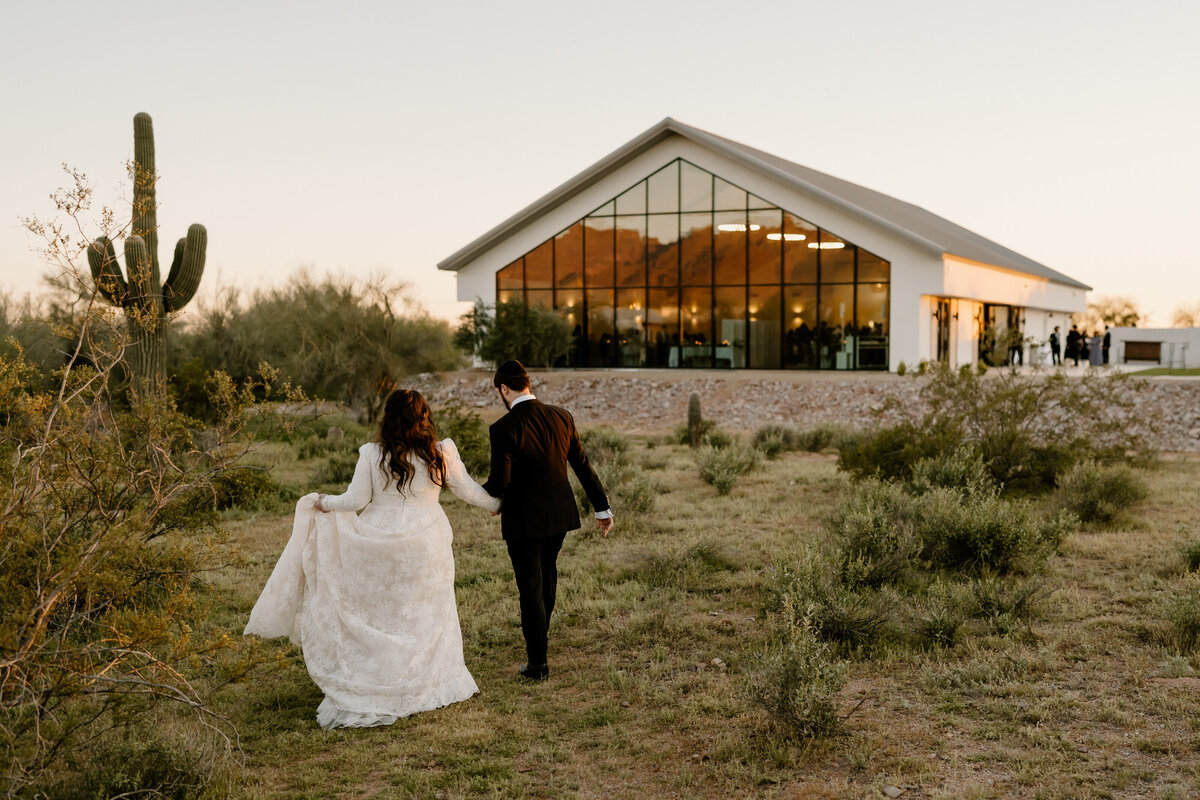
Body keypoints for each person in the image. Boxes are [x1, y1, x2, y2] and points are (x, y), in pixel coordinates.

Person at [244, 390, 500, 729]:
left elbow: (355, 499)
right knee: (426, 613)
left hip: (379, 540)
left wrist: (324, 503)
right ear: (424, 417)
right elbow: (468, 490)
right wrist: (499, 505)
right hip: (427, 541)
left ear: (387, 417)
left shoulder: (373, 454)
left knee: (383, 614)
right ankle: (423, 677)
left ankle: (379, 675)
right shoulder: (440, 452)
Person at [483, 360, 612, 681]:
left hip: (523, 520)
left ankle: (538, 664)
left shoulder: (503, 428)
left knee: (530, 587)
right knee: (547, 576)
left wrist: (489, 498)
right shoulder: (561, 416)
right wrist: (602, 508)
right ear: (527, 384)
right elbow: (582, 465)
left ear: (503, 389)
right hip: (559, 515)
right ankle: (539, 640)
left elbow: (500, 482)